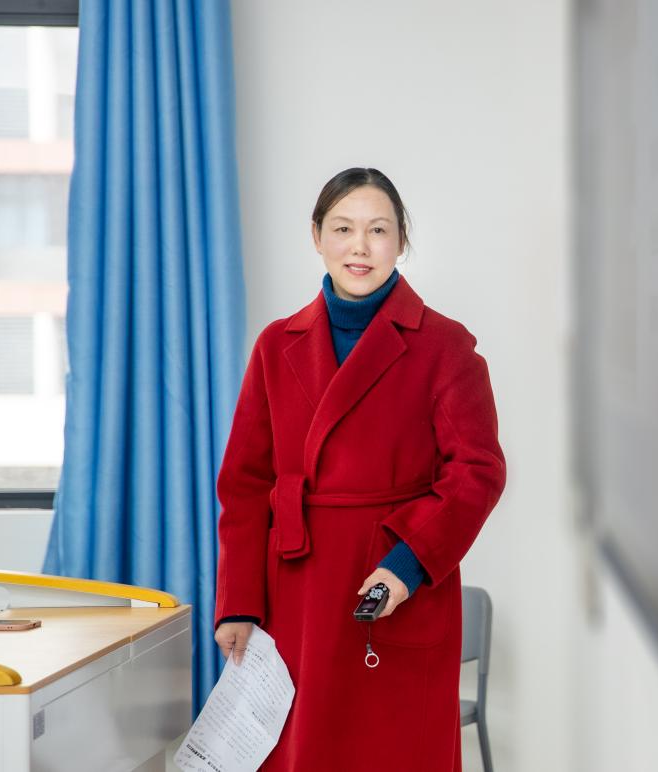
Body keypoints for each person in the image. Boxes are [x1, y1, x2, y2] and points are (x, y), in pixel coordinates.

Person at [212, 167, 507, 771]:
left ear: (401, 240)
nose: (360, 246)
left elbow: (477, 472)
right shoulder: (276, 345)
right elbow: (245, 484)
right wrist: (239, 601)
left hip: (392, 584)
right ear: (317, 236)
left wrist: (407, 564)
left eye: (378, 230)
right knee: (302, 751)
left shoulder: (445, 347)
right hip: (297, 591)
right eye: (343, 228)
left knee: (392, 751)